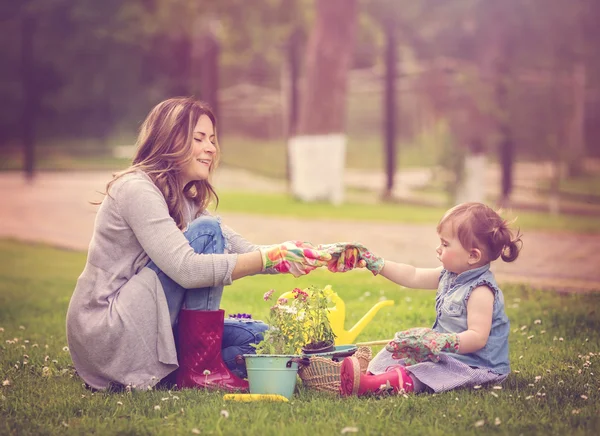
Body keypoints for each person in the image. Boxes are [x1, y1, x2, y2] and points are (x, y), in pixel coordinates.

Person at [66, 97, 337, 393]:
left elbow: (247, 251)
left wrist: (310, 254)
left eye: (212, 139)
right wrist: (268, 258)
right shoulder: (136, 188)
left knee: (259, 338)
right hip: (110, 331)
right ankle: (201, 370)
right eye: (199, 139)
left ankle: (184, 371)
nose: (211, 148)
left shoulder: (185, 198)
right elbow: (187, 269)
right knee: (208, 232)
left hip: (148, 323)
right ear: (170, 138)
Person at [338, 202, 522, 396]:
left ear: (473, 256)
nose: (438, 248)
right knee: (401, 350)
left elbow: (477, 338)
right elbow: (412, 275)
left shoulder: (481, 291)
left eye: (445, 244)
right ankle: (371, 376)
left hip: (474, 366)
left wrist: (441, 341)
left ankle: (373, 385)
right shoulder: (448, 274)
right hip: (447, 354)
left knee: (428, 373)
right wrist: (377, 263)